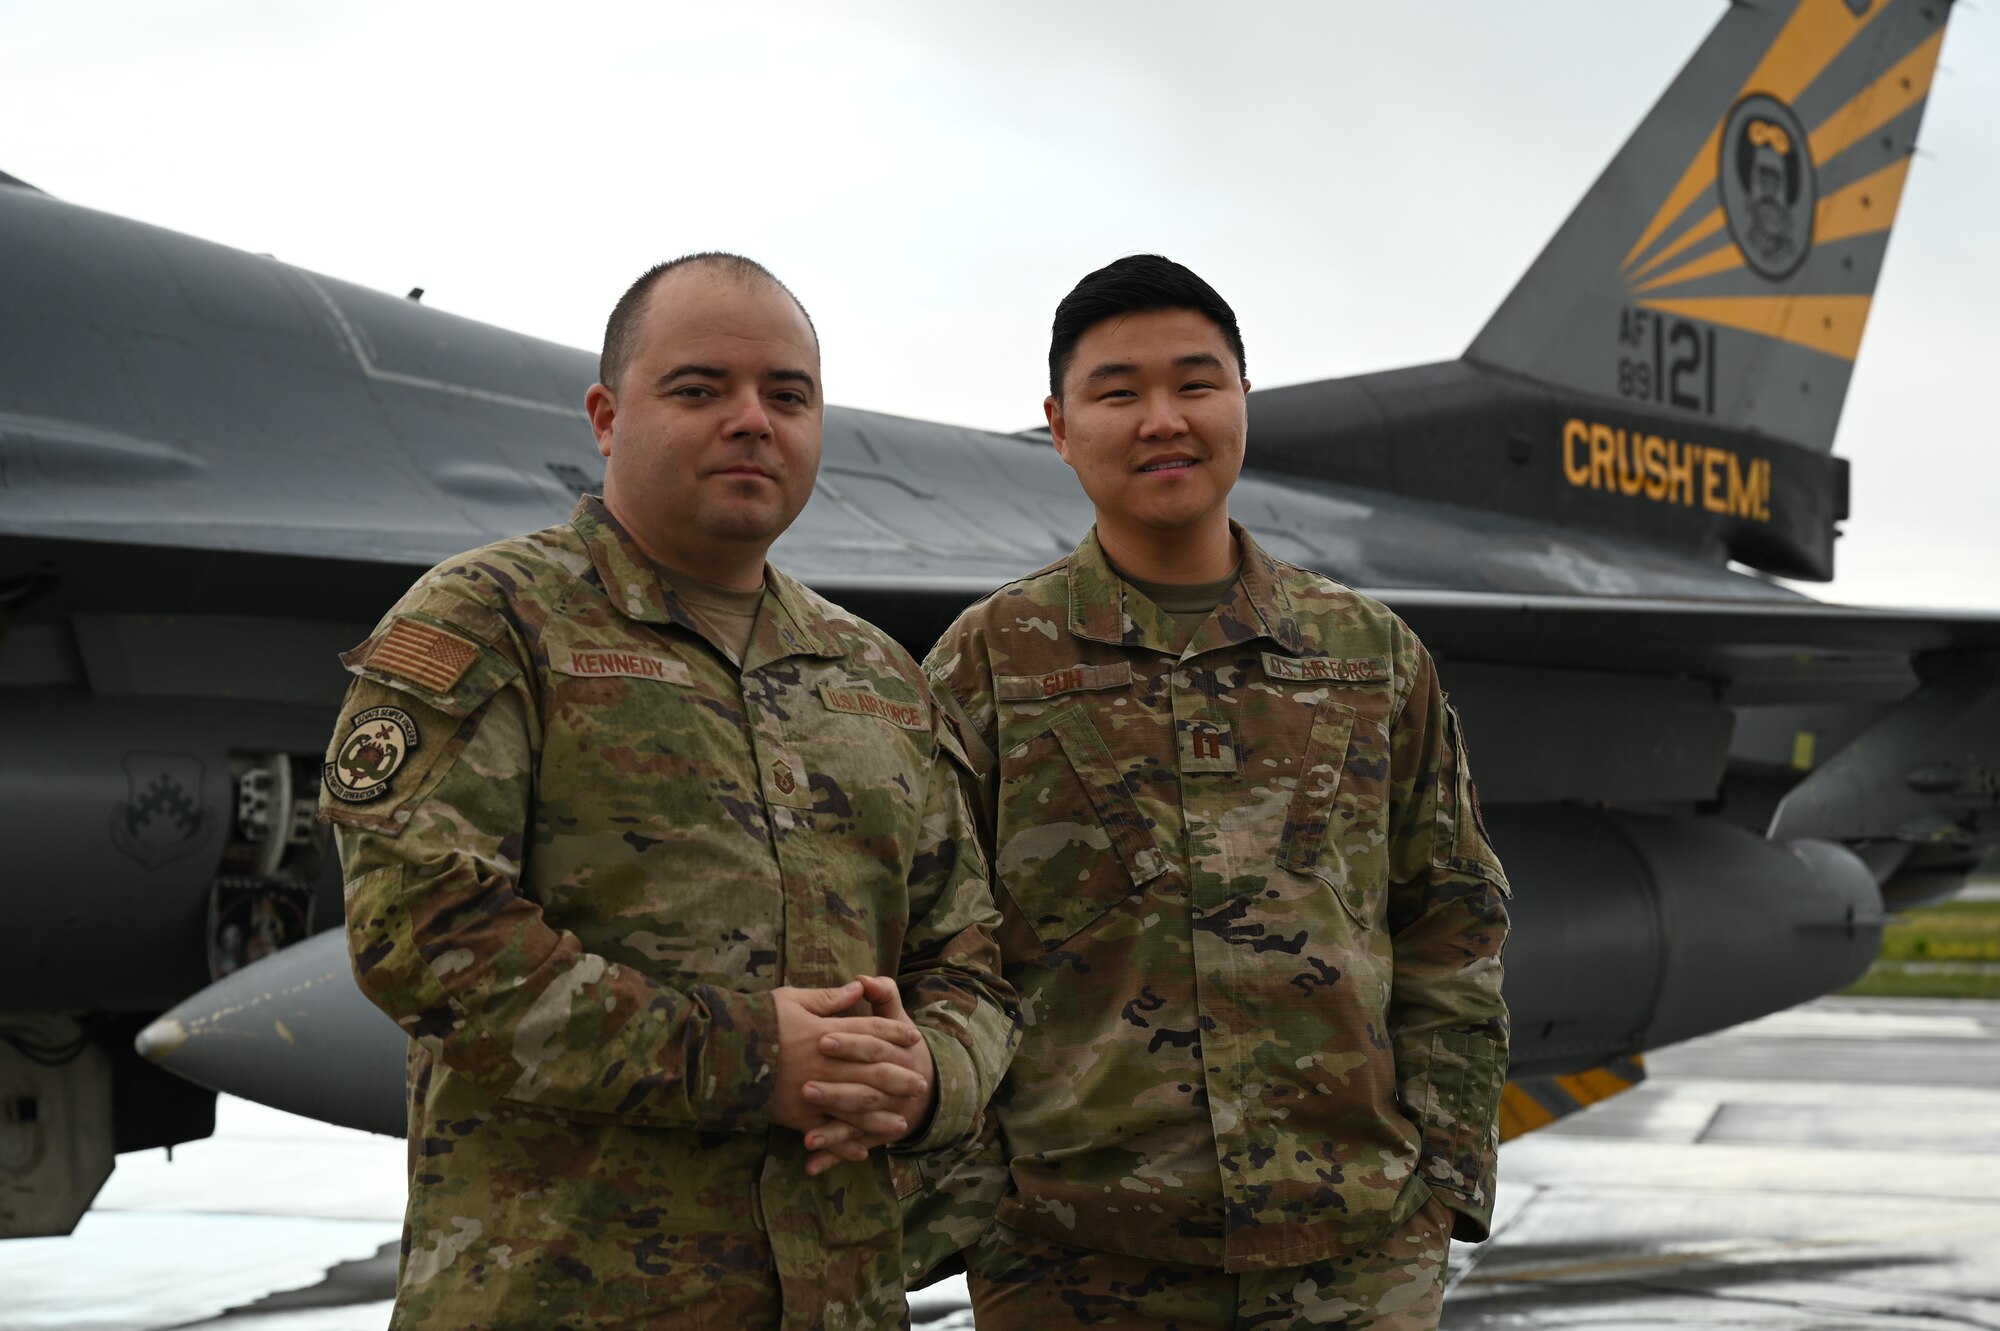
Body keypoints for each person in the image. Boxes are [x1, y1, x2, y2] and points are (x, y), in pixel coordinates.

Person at [320, 253, 1018, 1331]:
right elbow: (423, 934)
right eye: (699, 389)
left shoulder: (877, 678)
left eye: (786, 395)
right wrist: (744, 1055)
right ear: (606, 415)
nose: (751, 420)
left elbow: (967, 959)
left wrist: (928, 1075)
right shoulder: (491, 620)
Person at [916, 255, 1509, 1328]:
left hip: (1356, 1257)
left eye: (1195, 383)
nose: (1162, 419)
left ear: (1242, 400)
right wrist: (975, 1211)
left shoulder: (1367, 653)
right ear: (1057, 424)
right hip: (1075, 1264)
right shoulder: (988, 661)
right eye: (1117, 391)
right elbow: (933, 940)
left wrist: (1444, 1180)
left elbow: (1450, 920)